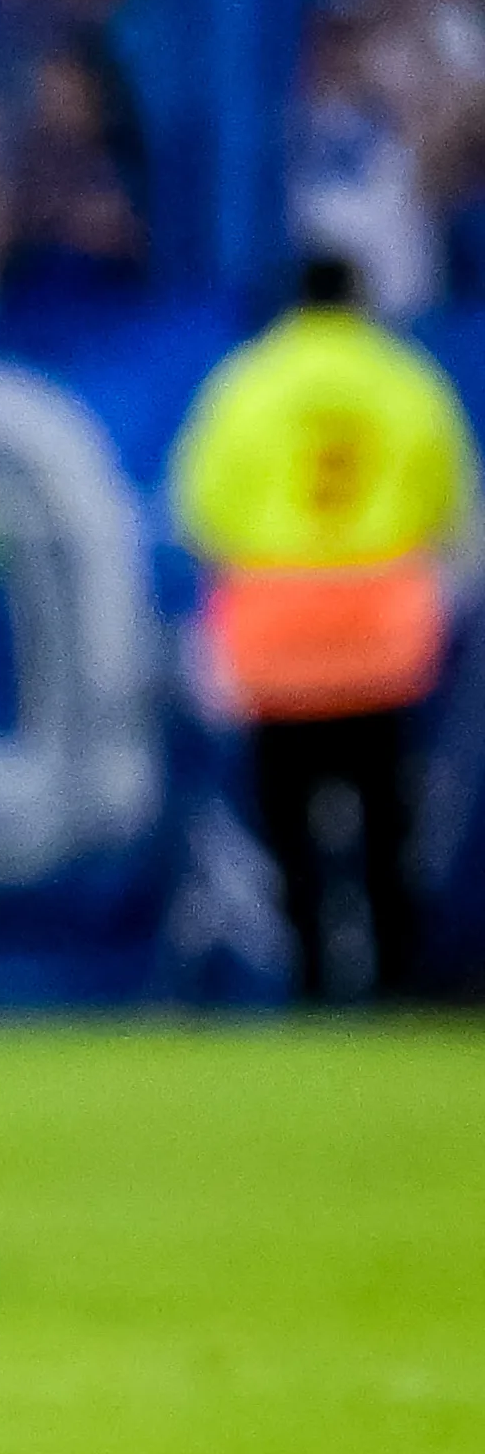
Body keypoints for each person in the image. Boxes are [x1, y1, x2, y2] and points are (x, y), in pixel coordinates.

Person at [171, 252, 479, 1000]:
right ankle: (395, 986)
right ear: (361, 299)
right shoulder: (405, 379)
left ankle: (312, 983)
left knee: (291, 826)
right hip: (379, 633)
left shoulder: (248, 382)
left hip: (277, 633)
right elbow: (450, 505)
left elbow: (202, 510)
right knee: (386, 826)